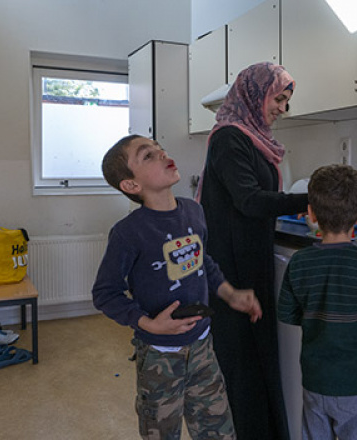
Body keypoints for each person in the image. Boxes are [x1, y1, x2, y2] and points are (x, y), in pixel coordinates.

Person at [93, 134, 263, 440]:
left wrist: (230, 293)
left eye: (160, 148)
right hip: (159, 356)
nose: (161, 153)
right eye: (148, 156)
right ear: (131, 185)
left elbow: (203, 263)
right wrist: (148, 324)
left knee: (220, 432)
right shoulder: (128, 233)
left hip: (203, 348)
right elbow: (105, 294)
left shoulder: (194, 211)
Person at [197, 62, 309, 440]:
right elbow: (248, 199)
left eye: (286, 101)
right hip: (232, 263)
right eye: (278, 98)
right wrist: (313, 199)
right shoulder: (230, 136)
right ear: (255, 94)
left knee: (255, 358)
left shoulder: (251, 137)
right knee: (241, 363)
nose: (282, 108)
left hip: (250, 256)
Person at [277, 164, 357, 440]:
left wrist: (317, 318)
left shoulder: (300, 262)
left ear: (310, 214)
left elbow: (286, 313)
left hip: (314, 381)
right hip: (355, 384)